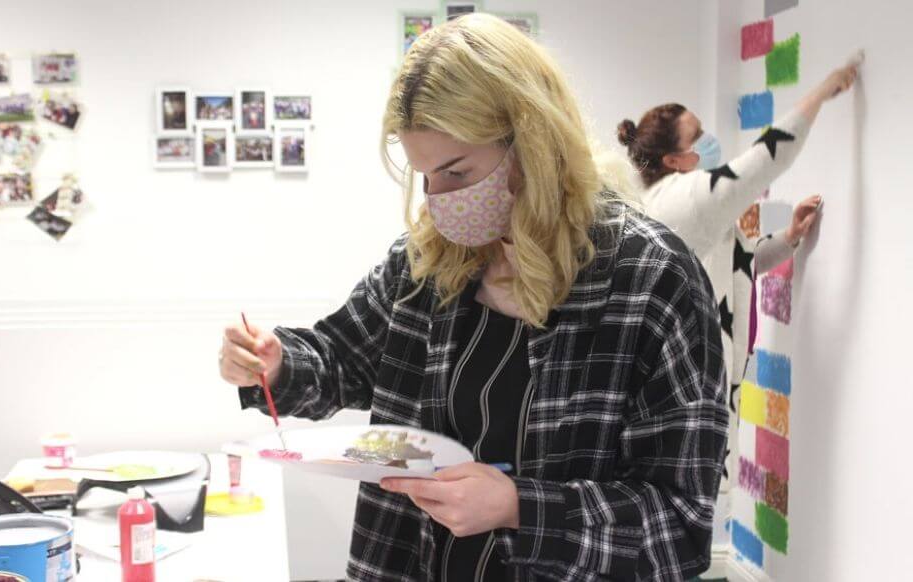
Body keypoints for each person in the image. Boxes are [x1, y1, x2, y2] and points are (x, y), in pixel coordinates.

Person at [220, 14, 727, 581]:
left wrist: (519, 507)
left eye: (457, 173)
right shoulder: (426, 265)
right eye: (426, 176)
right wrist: (276, 361)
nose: (437, 201)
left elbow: (679, 529)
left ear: (532, 142)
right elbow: (343, 358)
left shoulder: (653, 281)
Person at [616, 56, 860, 484]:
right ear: (675, 160)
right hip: (683, 380)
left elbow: (739, 260)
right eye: (698, 136)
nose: (709, 141)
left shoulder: (668, 199)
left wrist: (788, 238)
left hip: (676, 374)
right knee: (686, 493)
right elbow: (764, 160)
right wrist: (820, 94)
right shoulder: (688, 196)